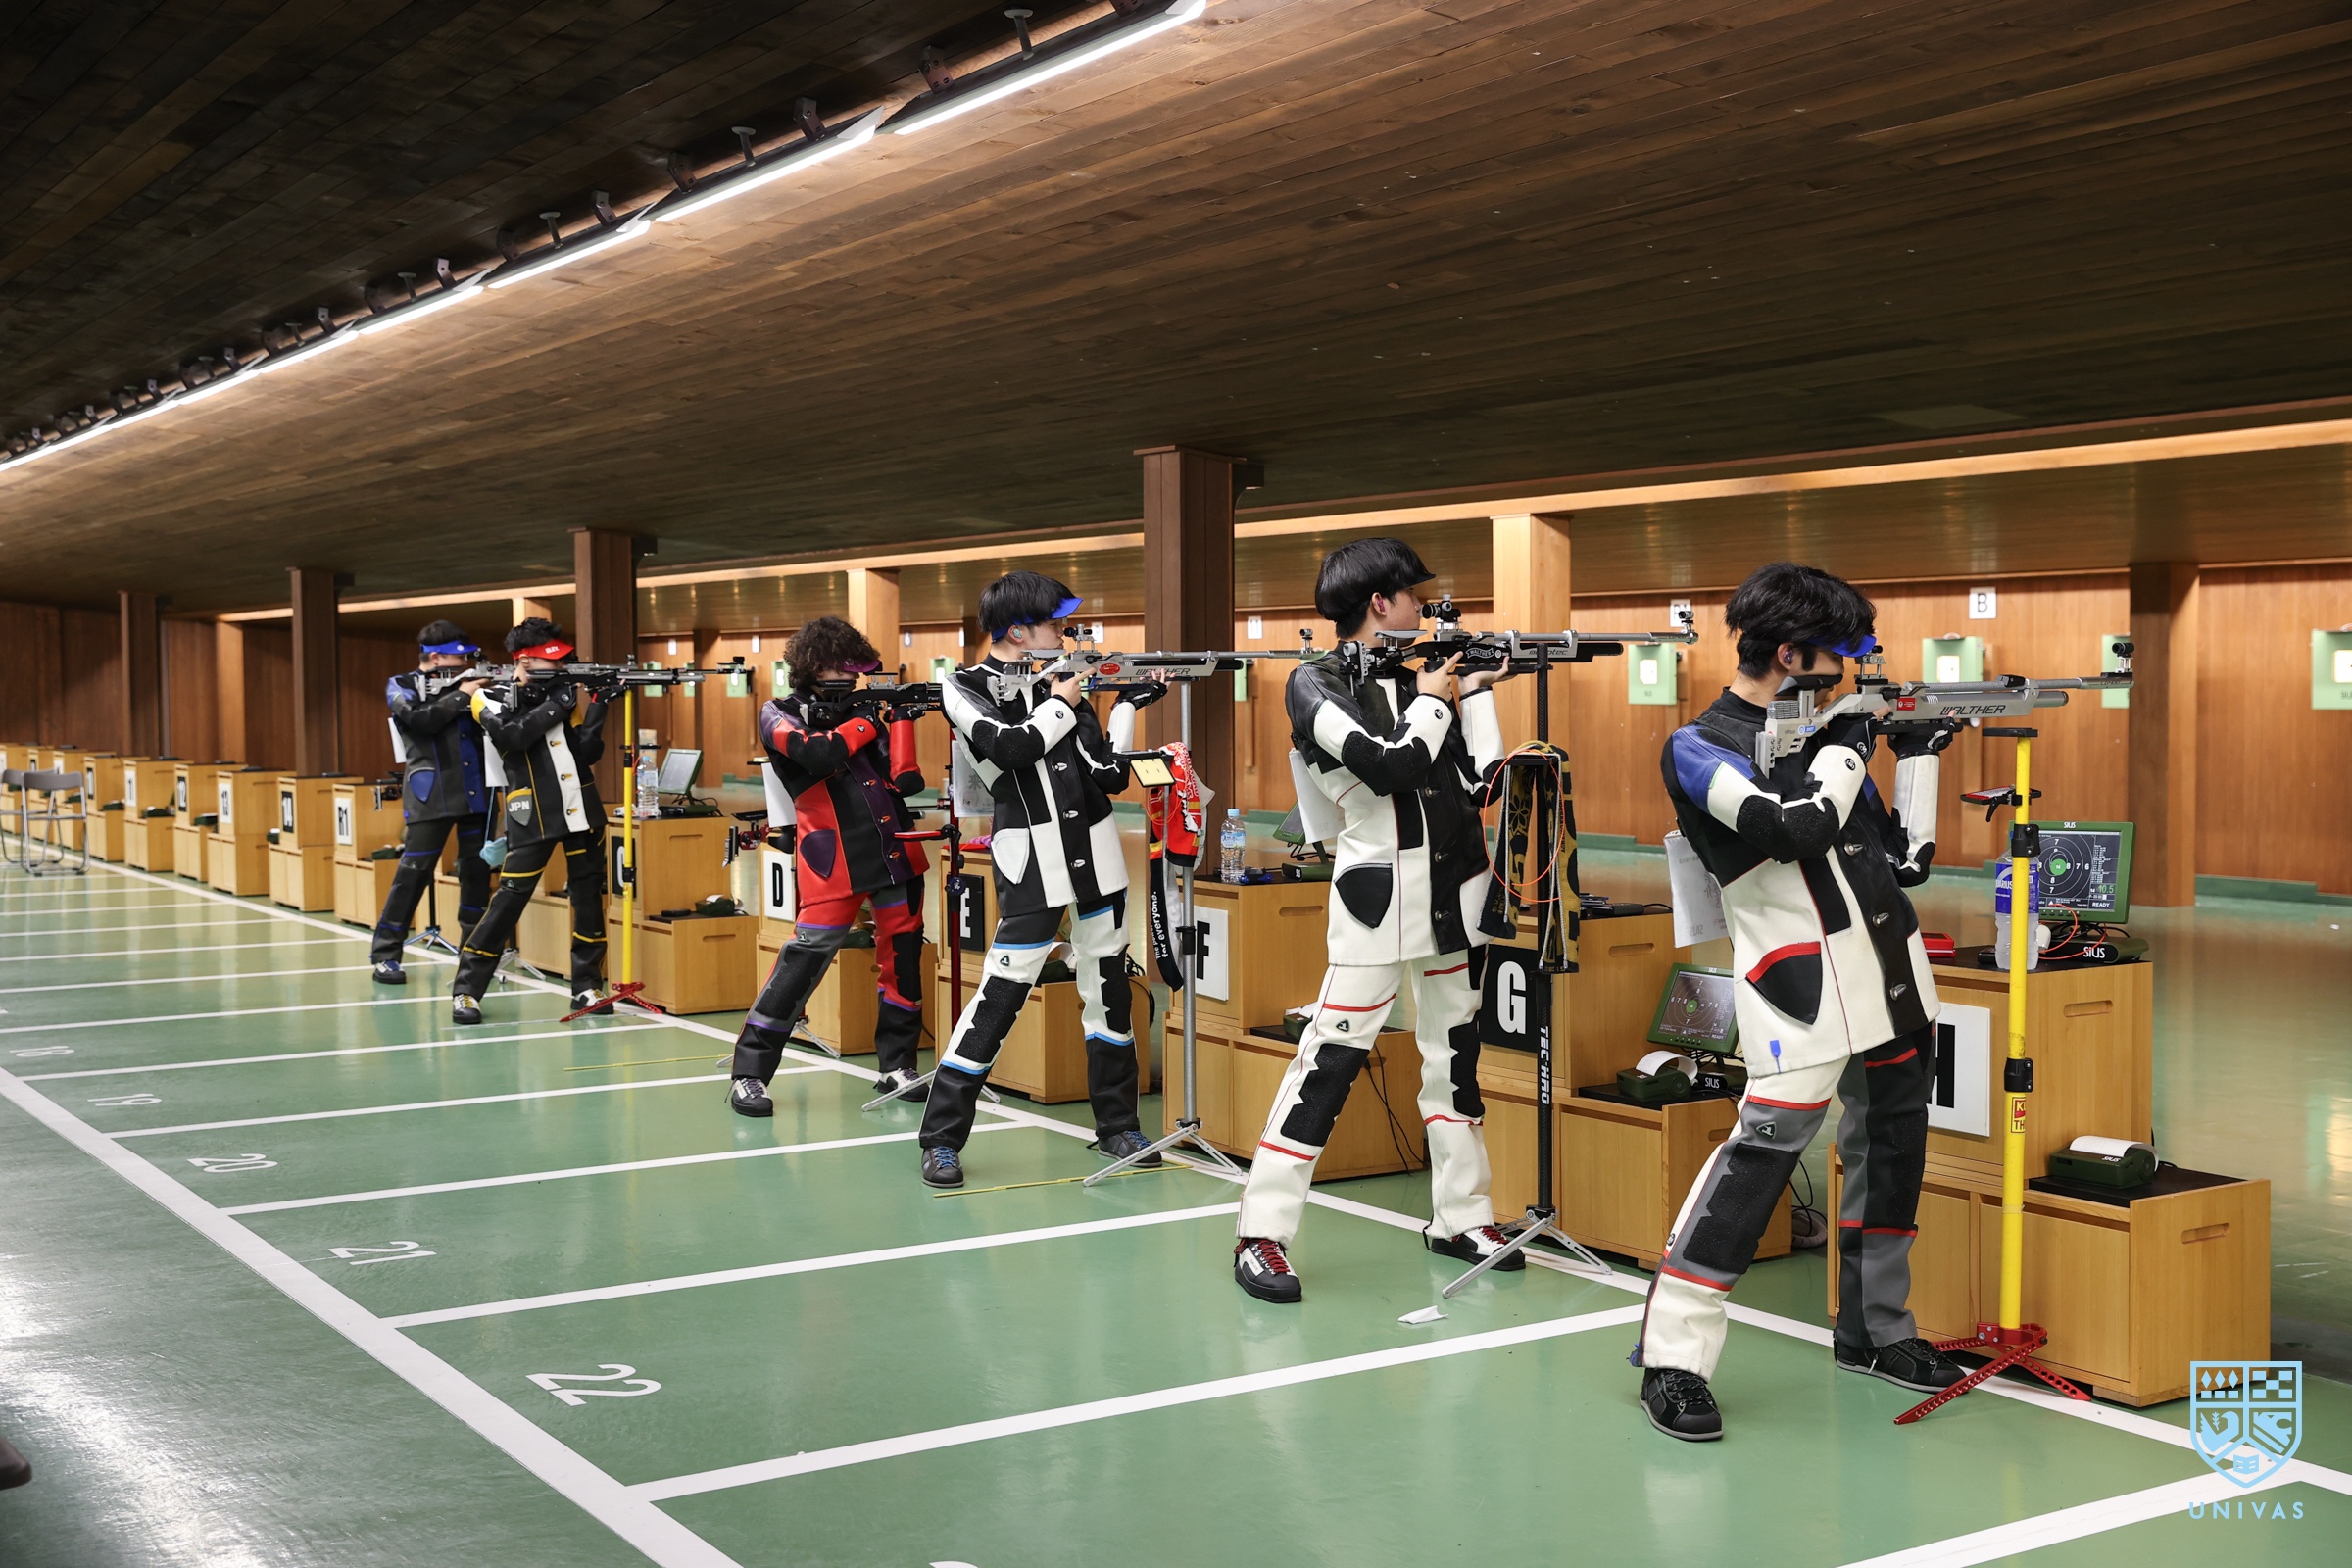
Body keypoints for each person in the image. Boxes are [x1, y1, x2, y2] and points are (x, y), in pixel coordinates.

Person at [1638, 562, 1963, 1441]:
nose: (1851, 672)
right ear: (1790, 654)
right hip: (1800, 993)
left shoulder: (1825, 738)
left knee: (1893, 1156)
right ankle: (1673, 1358)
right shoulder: (1698, 746)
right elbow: (1795, 827)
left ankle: (1876, 1333)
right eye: (1840, 654)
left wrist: (1918, 758)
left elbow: (1905, 863)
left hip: (1893, 981)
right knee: (1755, 1168)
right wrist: (1849, 743)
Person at [1232, 537, 1517, 1304]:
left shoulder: (1419, 678)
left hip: (1454, 894)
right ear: (1380, 603)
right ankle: (1261, 1231)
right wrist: (1438, 696)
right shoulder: (1314, 683)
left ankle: (1463, 1217)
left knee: (1454, 1061)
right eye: (1413, 596)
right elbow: (1389, 765)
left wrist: (1476, 692)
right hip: (1379, 900)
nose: (1422, 608)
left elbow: (1479, 783)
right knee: (1328, 1062)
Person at [915, 570, 1161, 1188]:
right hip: (1031, 864)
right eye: (1056, 624)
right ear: (1018, 631)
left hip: (1097, 858)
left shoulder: (1060, 684)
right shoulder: (963, 686)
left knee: (1109, 992)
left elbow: (1109, 774)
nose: (1066, 634)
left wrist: (1125, 706)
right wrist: (1063, 701)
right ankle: (940, 1137)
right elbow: (1010, 747)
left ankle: (1118, 1126)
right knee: (1001, 997)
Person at [728, 616, 931, 1114]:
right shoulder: (778, 712)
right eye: (836, 666)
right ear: (810, 666)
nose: (847, 676)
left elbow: (906, 782)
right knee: (803, 962)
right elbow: (817, 754)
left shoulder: (865, 709)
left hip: (895, 850)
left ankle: (897, 1065)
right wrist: (867, 722)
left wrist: (900, 720)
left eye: (852, 667)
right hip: (832, 859)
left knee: (903, 960)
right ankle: (748, 1073)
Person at [448, 619, 612, 1026]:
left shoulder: (561, 696)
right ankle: (467, 989)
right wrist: (559, 703)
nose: (560, 667)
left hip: (582, 807)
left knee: (588, 900)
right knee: (509, 899)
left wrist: (599, 704)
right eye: (551, 661)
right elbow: (513, 735)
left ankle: (588, 985)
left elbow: (587, 752)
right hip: (532, 813)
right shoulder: (487, 696)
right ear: (524, 660)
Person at [370, 620, 493, 985]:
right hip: (430, 792)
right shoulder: (402, 685)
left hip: (477, 790)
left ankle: (474, 954)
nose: (464, 664)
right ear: (435, 657)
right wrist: (462, 694)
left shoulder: (473, 681)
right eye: (458, 658)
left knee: (476, 873)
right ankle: (386, 954)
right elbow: (419, 720)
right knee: (413, 873)